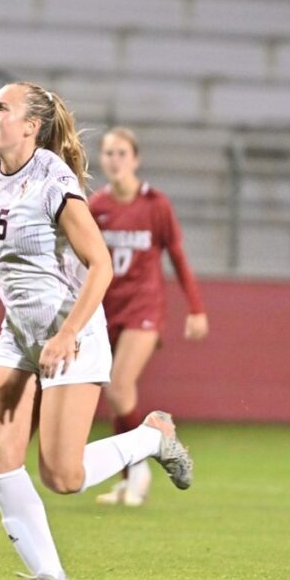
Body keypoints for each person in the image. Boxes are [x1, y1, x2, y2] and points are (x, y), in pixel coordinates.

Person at [0, 82, 193, 580]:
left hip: (72, 332)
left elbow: (101, 265)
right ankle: (51, 578)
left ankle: (152, 437)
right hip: (20, 334)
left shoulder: (54, 179)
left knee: (63, 475)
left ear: (30, 126)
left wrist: (68, 333)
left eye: (1, 108)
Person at [89, 127, 209, 507]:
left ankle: (139, 465)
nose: (115, 160)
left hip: (144, 306)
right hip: (106, 307)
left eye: (122, 153)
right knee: (114, 392)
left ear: (135, 159)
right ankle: (130, 477)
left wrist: (196, 307)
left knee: (119, 385)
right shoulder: (97, 207)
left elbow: (177, 256)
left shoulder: (155, 205)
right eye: (108, 153)